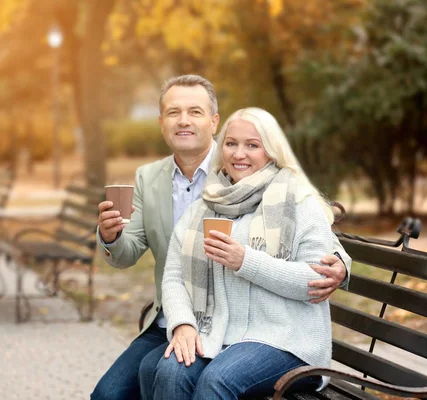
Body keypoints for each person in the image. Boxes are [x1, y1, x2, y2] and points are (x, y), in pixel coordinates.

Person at [91, 75, 350, 400]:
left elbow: (323, 256)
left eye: (194, 111)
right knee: (122, 388)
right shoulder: (209, 197)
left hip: (271, 331)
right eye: (174, 112)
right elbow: (156, 265)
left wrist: (340, 264)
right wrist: (110, 236)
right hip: (192, 319)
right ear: (161, 123)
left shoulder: (291, 196)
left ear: (214, 122)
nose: (184, 120)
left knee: (201, 377)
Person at [146, 107, 338, 400]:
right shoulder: (205, 205)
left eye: (252, 145)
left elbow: (314, 281)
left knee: (217, 380)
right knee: (171, 371)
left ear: (271, 152)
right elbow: (174, 276)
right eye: (231, 143)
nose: (239, 154)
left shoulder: (299, 201)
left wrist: (245, 261)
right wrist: (183, 325)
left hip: (286, 339)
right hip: (218, 333)